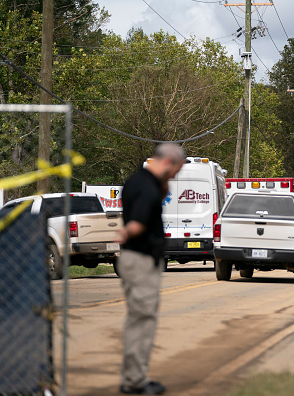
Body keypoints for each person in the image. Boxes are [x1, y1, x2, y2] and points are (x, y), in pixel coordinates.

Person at [117, 143, 186, 395]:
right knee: (142, 320)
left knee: (137, 318)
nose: (175, 177)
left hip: (133, 259)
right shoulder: (147, 189)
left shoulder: (137, 181)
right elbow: (139, 220)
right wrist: (128, 230)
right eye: (176, 171)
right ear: (168, 162)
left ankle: (132, 377)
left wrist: (162, 187)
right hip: (142, 260)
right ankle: (135, 381)